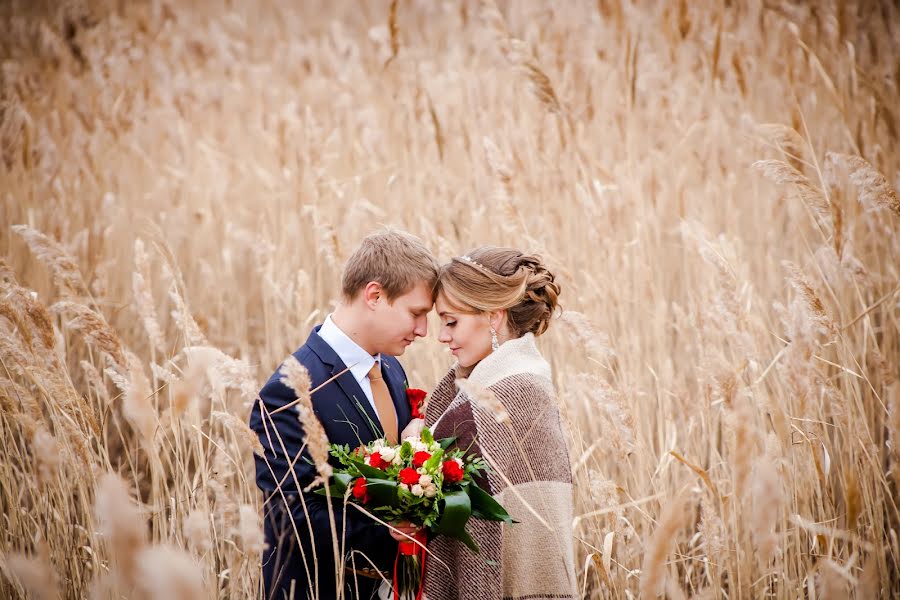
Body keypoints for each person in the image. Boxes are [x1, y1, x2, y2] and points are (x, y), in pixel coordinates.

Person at [250, 229, 438, 600]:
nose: (423, 330)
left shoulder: (389, 368)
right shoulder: (292, 390)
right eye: (416, 313)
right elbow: (289, 518)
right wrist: (389, 531)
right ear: (375, 295)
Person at [419, 246, 577, 600]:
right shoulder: (530, 380)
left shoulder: (500, 397)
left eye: (450, 321)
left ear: (493, 316)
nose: (442, 337)